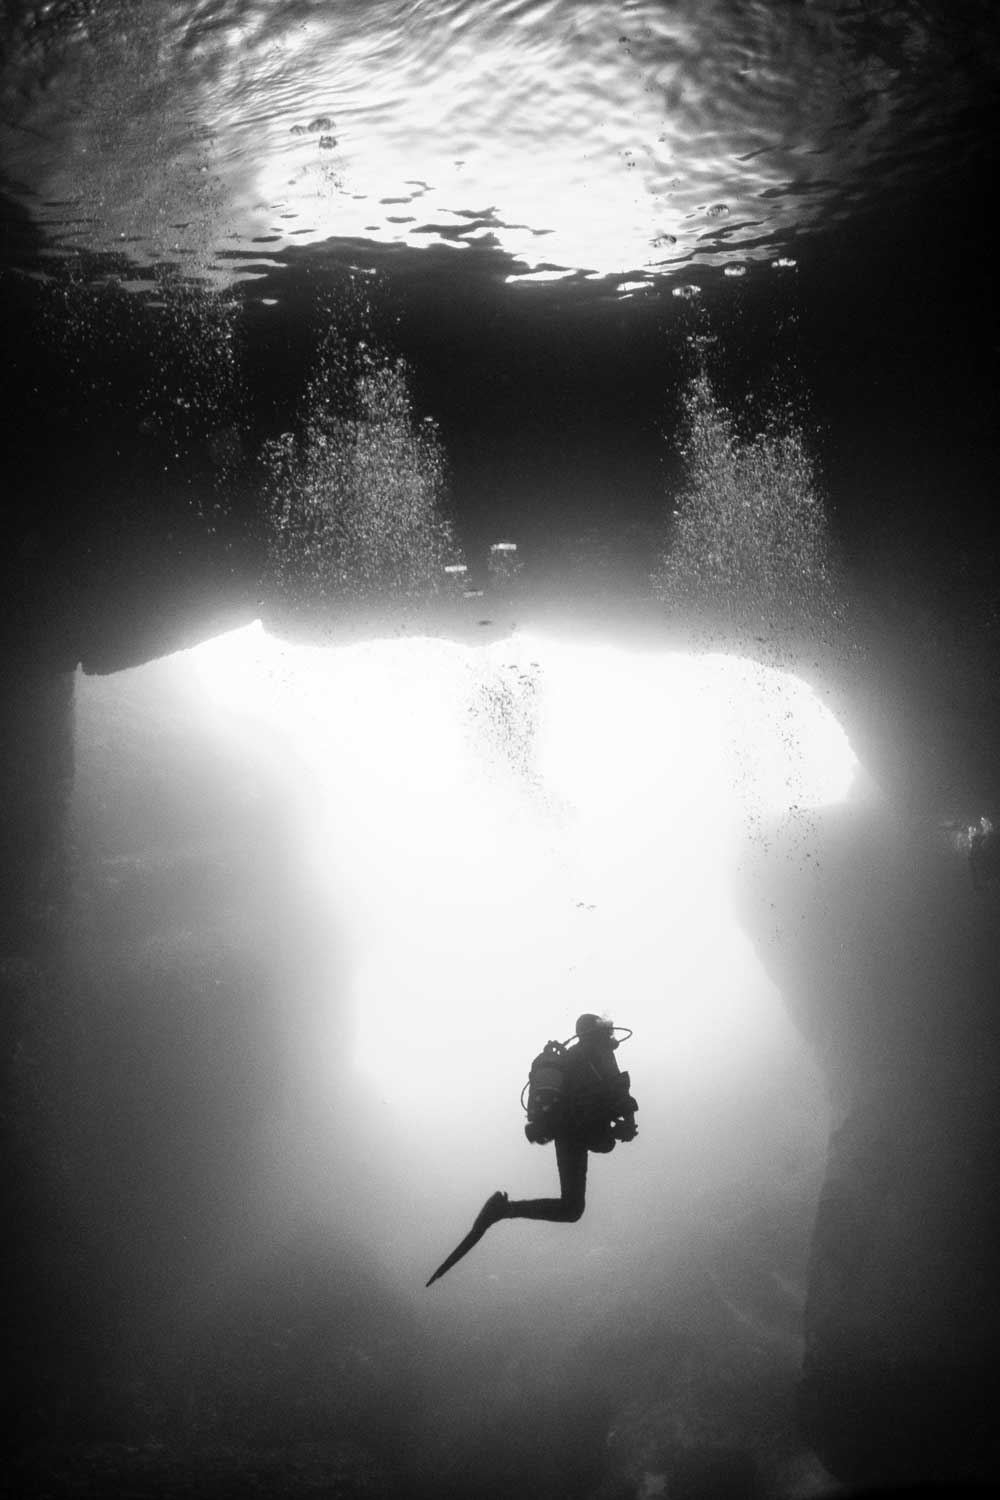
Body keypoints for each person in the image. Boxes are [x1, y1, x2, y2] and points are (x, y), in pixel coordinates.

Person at [426, 1014, 637, 1286]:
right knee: (572, 1207)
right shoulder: (599, 1051)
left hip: (566, 1131)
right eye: (607, 1031)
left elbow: (599, 1101)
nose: (611, 1037)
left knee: (572, 1207)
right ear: (598, 1033)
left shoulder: (572, 1057)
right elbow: (618, 1092)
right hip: (577, 1129)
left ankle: (502, 1210)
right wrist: (627, 1126)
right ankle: (503, 1211)